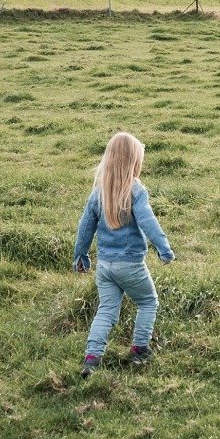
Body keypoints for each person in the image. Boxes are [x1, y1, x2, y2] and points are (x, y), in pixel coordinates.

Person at [72, 132, 175, 377]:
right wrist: (164, 249)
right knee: (148, 302)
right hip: (130, 264)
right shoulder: (135, 191)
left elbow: (85, 227)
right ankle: (139, 348)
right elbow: (149, 222)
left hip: (105, 266)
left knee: (106, 310)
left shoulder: (98, 192)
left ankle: (92, 358)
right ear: (133, 162)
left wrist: (81, 256)